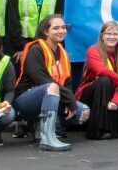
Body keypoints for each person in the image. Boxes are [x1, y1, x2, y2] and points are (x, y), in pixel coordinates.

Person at [14, 14, 88, 152]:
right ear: (46, 32)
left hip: (53, 96)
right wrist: (70, 100)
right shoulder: (35, 49)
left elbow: (67, 83)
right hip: (25, 101)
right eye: (56, 28)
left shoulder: (63, 53)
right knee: (51, 87)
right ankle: (47, 137)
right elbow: (42, 80)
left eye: (63, 27)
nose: (61, 31)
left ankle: (49, 128)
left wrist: (69, 101)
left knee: (83, 112)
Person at [76, 20, 118, 140]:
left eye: (115, 34)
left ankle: (111, 132)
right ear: (102, 36)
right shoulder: (93, 50)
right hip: (90, 94)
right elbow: (102, 71)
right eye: (108, 34)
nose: (112, 37)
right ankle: (96, 131)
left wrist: (115, 101)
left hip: (112, 92)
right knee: (104, 80)